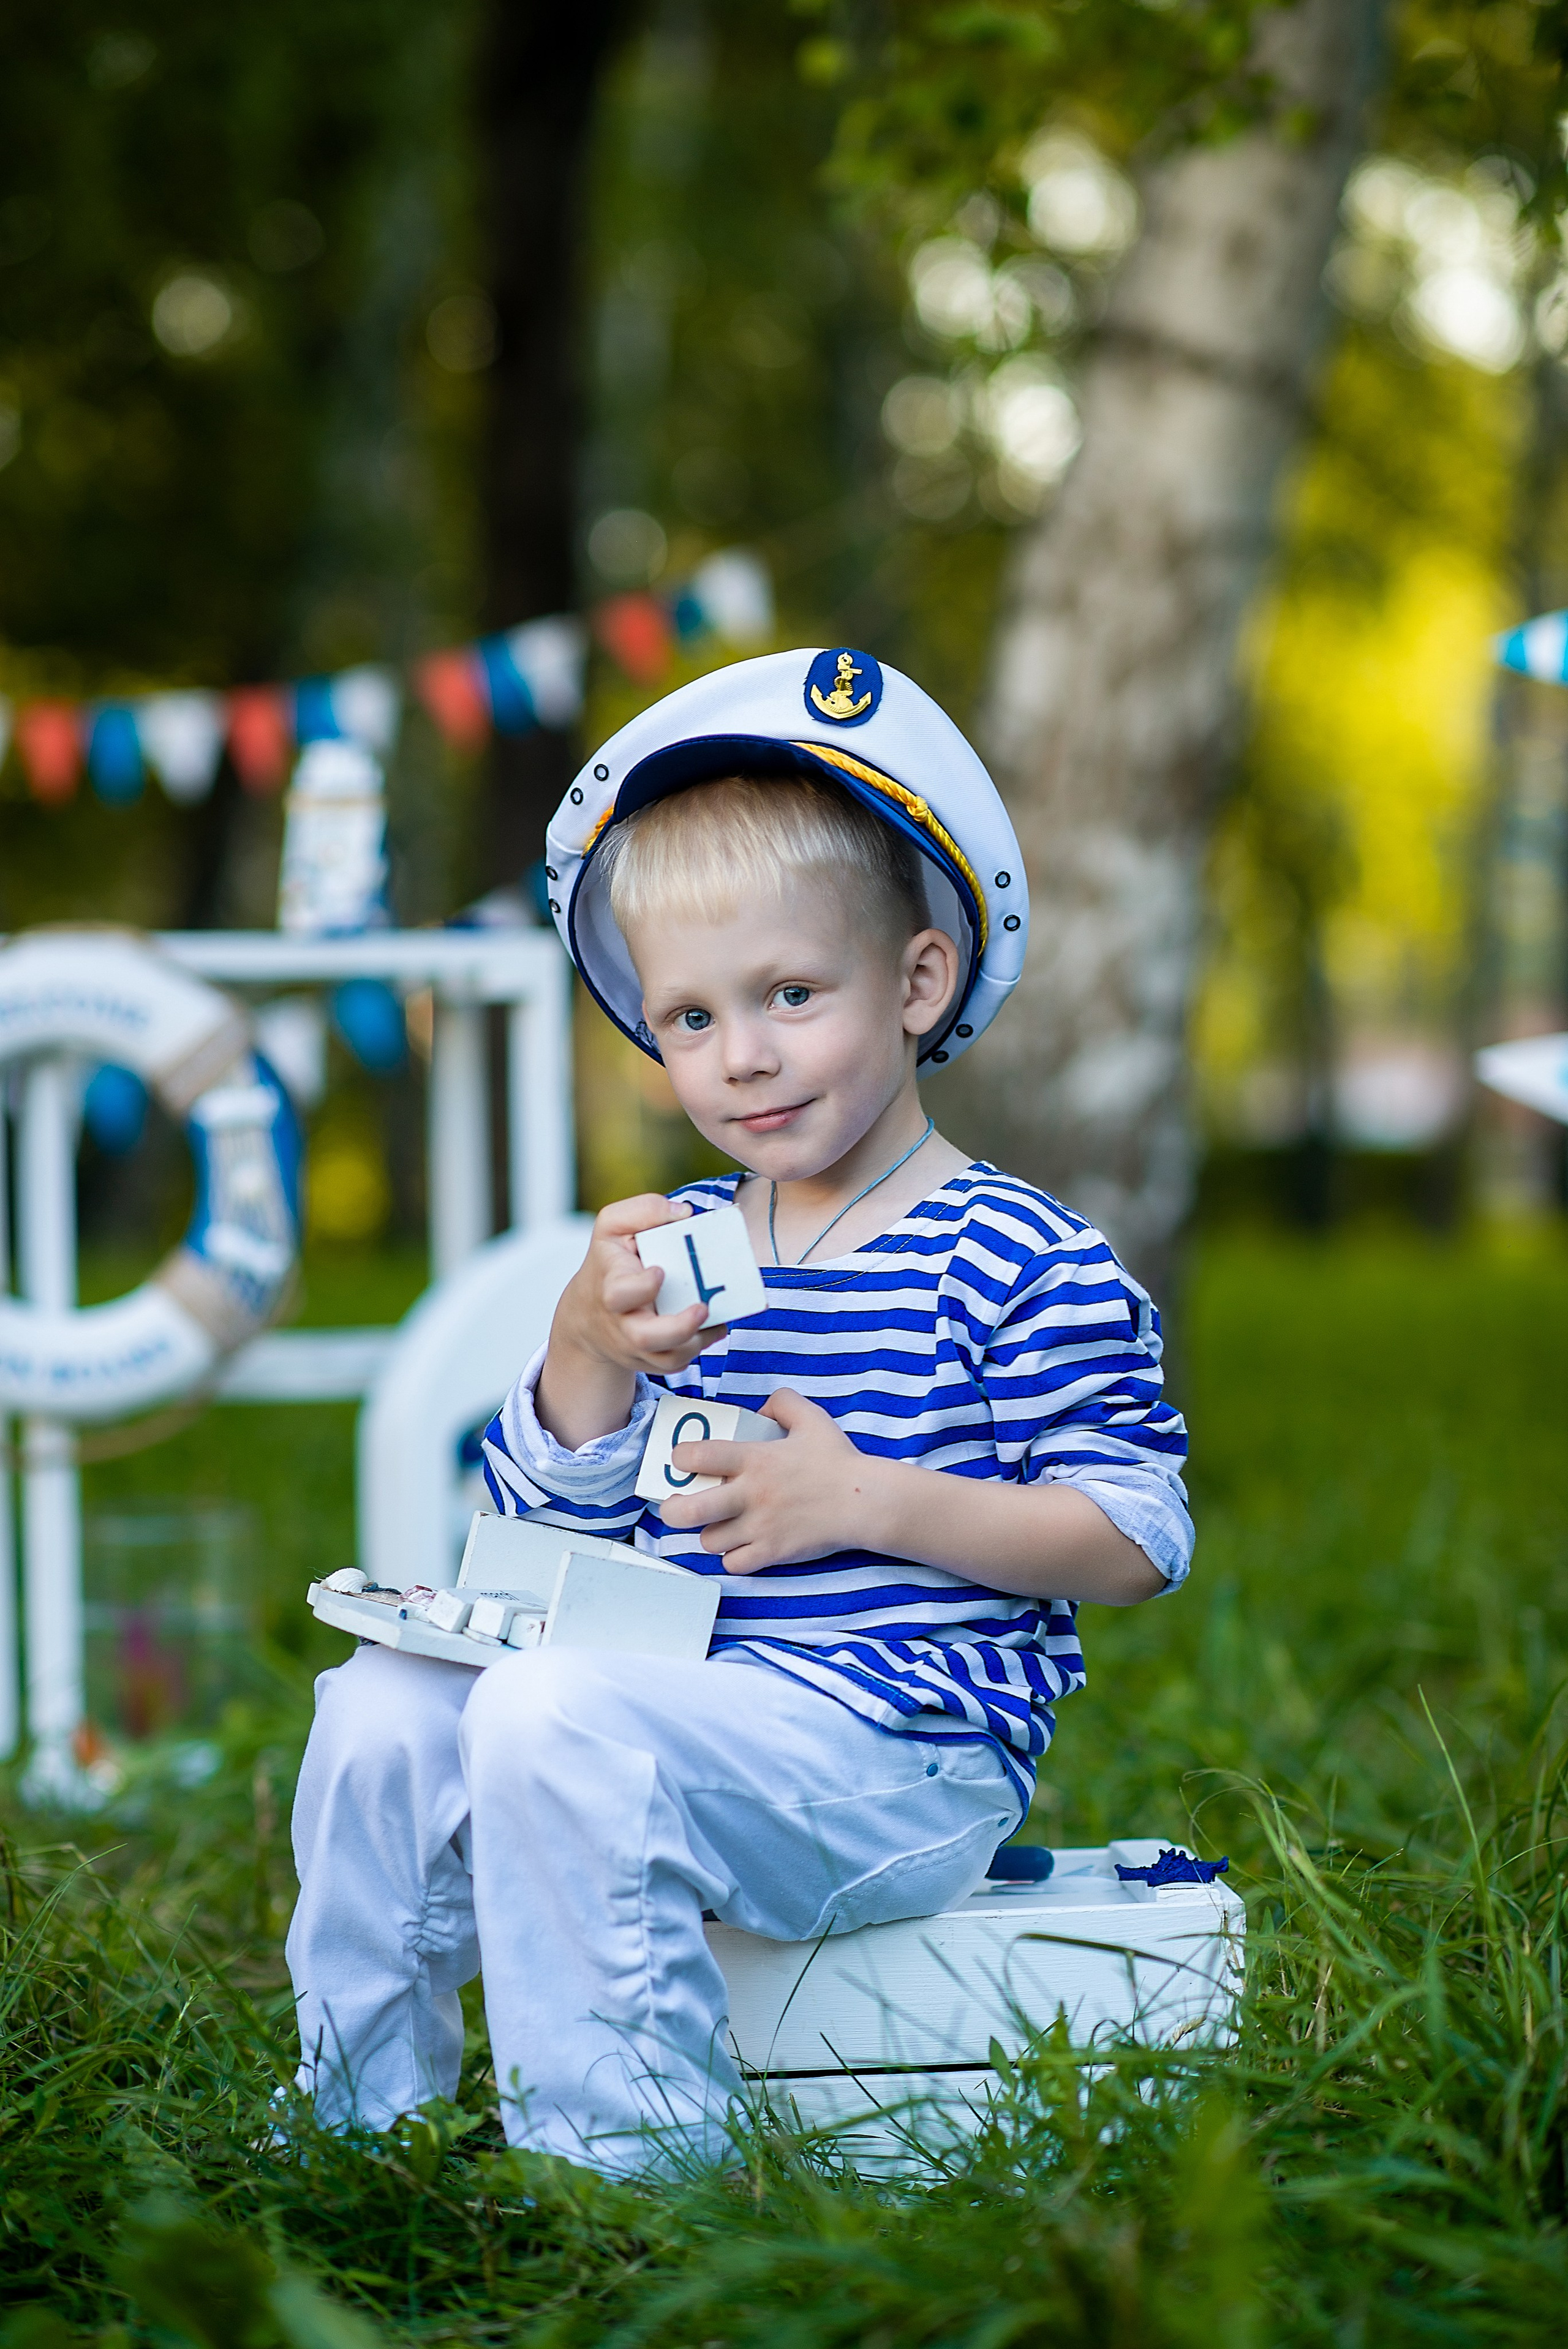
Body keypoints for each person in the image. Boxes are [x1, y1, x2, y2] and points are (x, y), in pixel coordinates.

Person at [286, 647, 1193, 2175]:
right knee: (381, 1709)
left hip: (899, 1755)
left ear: (916, 981)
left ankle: (624, 2170)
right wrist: (585, 1351)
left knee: (553, 1715)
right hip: (676, 1695)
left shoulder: (1017, 1253)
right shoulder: (688, 1253)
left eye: (788, 994)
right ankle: (356, 2131)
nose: (742, 1056)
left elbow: (1133, 1536)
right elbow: (545, 1533)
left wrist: (866, 1503)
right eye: (690, 1017)